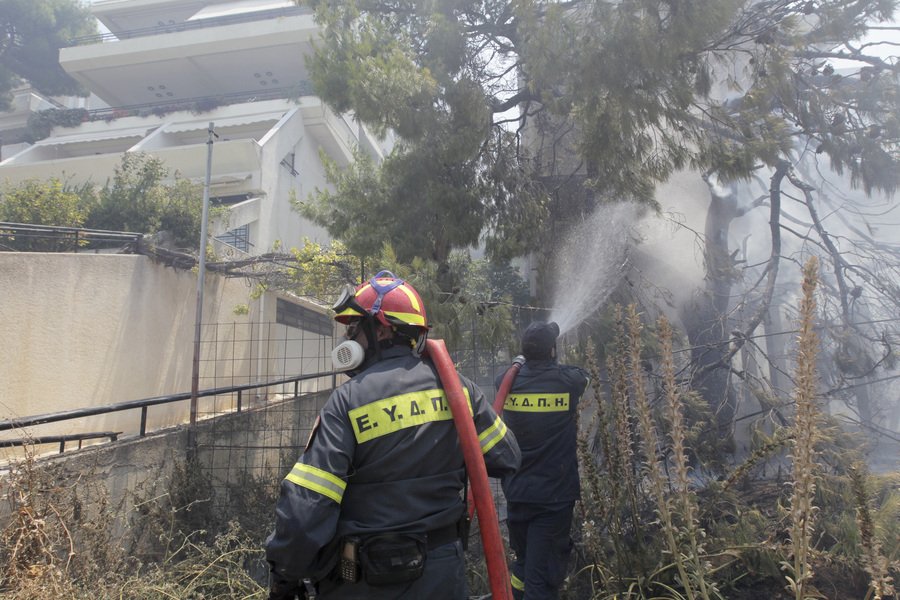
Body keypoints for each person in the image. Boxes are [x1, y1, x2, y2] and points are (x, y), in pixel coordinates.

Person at [266, 270, 521, 600]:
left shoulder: (347, 401)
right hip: (442, 576)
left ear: (382, 329)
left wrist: (286, 576)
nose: (349, 340)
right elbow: (507, 457)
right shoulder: (457, 389)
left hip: (367, 582)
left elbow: (305, 511)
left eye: (354, 330)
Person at [495, 320, 590, 600]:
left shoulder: (506, 381)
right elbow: (584, 377)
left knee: (524, 565)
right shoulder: (567, 381)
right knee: (543, 575)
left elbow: (506, 378)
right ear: (552, 352)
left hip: (518, 494)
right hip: (552, 498)